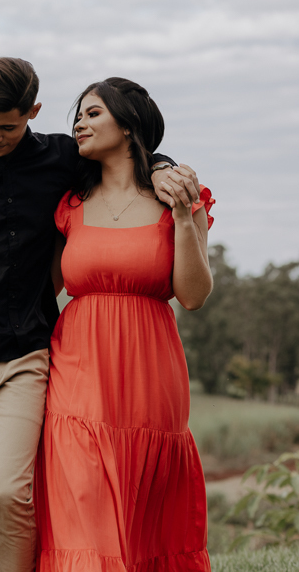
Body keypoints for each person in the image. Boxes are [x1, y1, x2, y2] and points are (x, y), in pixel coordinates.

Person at [0, 57, 199, 572]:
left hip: (28, 354)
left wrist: (163, 168)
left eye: (9, 125)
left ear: (33, 112)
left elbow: (129, 155)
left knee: (12, 493)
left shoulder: (62, 159)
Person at [33, 78, 213, 571]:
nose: (78, 124)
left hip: (150, 376)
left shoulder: (180, 195)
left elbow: (194, 296)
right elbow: (39, 286)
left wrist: (180, 217)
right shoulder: (69, 205)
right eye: (78, 115)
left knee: (146, 512)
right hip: (77, 372)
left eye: (93, 113)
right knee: (83, 497)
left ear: (128, 124)